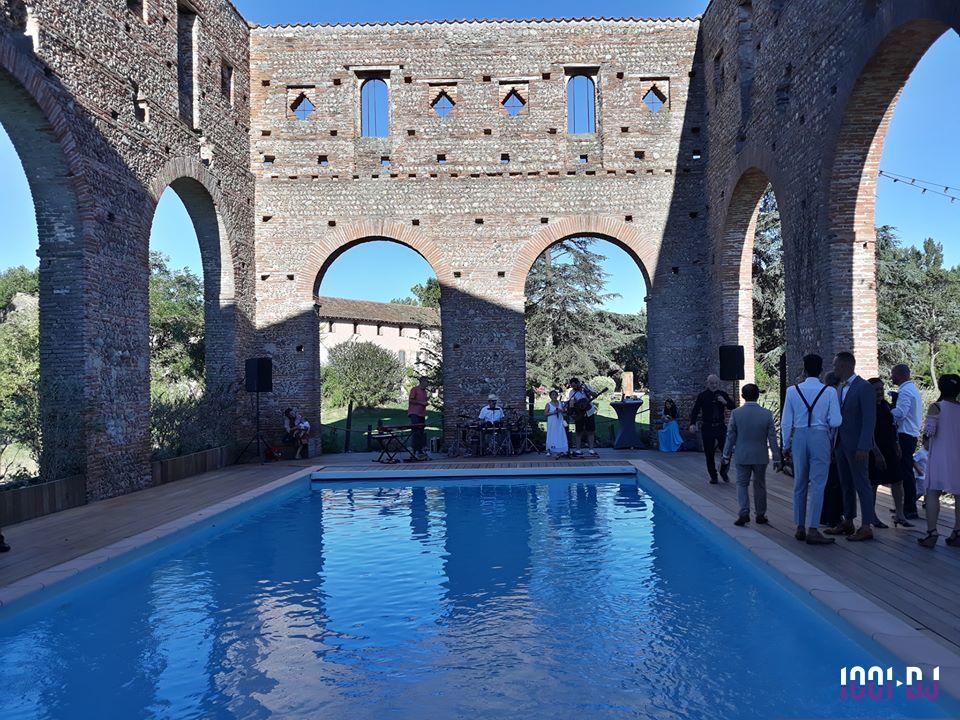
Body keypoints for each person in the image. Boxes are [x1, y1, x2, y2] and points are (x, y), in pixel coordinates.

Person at [781, 353, 842, 544]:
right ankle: (813, 528)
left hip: (799, 435)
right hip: (820, 436)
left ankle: (799, 526)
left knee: (799, 482)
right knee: (818, 484)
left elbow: (785, 421)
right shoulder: (829, 392)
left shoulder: (792, 391)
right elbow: (837, 420)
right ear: (821, 369)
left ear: (804, 369)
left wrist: (785, 444)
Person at [825, 351, 878, 542]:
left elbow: (869, 419)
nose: (834, 369)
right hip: (840, 443)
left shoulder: (864, 388)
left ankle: (866, 525)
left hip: (857, 446)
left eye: (836, 365)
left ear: (846, 365)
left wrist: (865, 446)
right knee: (845, 483)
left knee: (862, 484)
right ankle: (848, 520)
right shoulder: (839, 387)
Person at [721, 383, 782, 526]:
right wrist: (777, 458)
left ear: (742, 396)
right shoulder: (767, 414)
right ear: (758, 395)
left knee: (742, 483)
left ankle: (744, 511)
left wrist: (726, 455)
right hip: (760, 455)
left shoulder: (736, 413)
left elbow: (730, 436)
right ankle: (760, 514)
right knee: (760, 484)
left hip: (742, 454)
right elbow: (772, 438)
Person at [918, 374, 960, 548]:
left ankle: (932, 532)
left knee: (933, 492)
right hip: (958, 456)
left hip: (940, 455)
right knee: (959, 495)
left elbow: (929, 432)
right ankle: (957, 531)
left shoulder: (936, 407)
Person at [867, 378, 911, 527]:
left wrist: (897, 443)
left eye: (881, 389)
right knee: (874, 483)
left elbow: (893, 427)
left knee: (898, 481)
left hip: (890, 449)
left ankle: (900, 514)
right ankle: (871, 516)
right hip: (876, 451)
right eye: (876, 390)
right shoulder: (868, 409)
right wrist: (877, 453)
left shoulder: (886, 406)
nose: (880, 392)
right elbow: (868, 433)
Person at [890, 364, 923, 520]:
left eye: (893, 374)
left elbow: (900, 414)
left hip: (904, 436)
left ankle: (909, 508)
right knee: (906, 471)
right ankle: (905, 506)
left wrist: (886, 410)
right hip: (911, 434)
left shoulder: (905, 392)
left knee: (905, 472)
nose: (891, 377)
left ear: (900, 375)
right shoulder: (912, 390)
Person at [689, 375, 735, 484]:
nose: (714, 385)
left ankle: (723, 471)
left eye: (715, 383)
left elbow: (733, 406)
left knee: (726, 451)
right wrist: (692, 423)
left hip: (720, 426)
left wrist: (724, 402)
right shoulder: (702, 396)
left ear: (718, 384)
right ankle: (713, 476)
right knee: (709, 453)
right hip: (708, 427)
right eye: (711, 383)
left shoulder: (723, 394)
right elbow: (695, 410)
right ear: (707, 383)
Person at [819, 372, 845, 528]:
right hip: (834, 445)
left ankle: (824, 515)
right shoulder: (835, 397)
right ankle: (834, 515)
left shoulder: (822, 397)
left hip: (824, 444)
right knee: (836, 482)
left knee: (827, 482)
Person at [568, 378, 599, 457]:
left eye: (575, 386)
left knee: (591, 431)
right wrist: (572, 412)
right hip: (579, 413)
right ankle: (578, 450)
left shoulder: (587, 386)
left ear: (578, 383)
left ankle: (591, 450)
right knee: (579, 431)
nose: (574, 388)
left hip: (589, 411)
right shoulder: (572, 392)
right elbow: (571, 403)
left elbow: (595, 395)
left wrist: (587, 390)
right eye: (572, 387)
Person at [407, 376, 430, 460]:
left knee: (421, 432)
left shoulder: (425, 392)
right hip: (414, 413)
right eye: (427, 382)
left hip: (421, 414)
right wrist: (422, 403)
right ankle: (415, 450)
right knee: (416, 431)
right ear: (422, 382)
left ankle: (420, 450)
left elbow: (424, 401)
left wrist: (427, 400)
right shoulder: (415, 389)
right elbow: (411, 400)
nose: (428, 384)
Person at [544, 389, 569, 457]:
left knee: (560, 434)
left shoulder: (560, 403)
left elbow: (564, 411)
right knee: (552, 434)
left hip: (559, 421)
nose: (554, 396)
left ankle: (562, 449)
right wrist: (553, 412)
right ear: (550, 396)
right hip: (552, 422)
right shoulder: (548, 404)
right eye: (553, 395)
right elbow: (545, 413)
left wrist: (561, 410)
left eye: (555, 395)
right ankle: (549, 449)